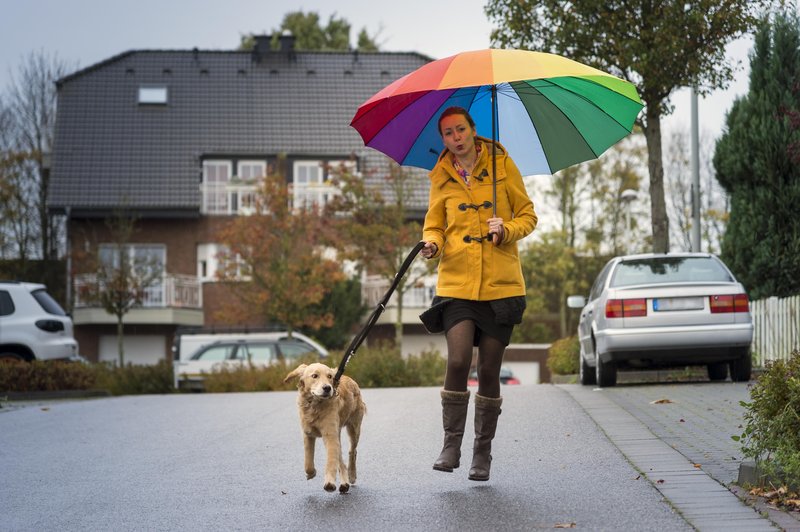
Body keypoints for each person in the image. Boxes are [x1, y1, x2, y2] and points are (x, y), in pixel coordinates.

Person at [420, 106, 537, 481]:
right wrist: (432, 244)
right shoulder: (440, 175)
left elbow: (529, 215)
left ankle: (481, 453)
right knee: (457, 362)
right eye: (448, 133)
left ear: (473, 131)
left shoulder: (503, 166)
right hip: (456, 284)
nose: (455, 138)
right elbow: (434, 225)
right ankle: (450, 445)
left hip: (501, 286)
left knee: (489, 370)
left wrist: (507, 229)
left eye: (460, 130)